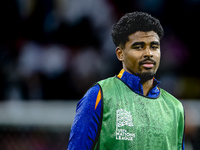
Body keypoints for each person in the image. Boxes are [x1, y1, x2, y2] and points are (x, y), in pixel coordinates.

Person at [67, 12, 185, 150]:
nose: (148, 53)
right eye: (139, 47)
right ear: (120, 54)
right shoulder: (100, 95)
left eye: (154, 46)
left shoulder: (175, 107)